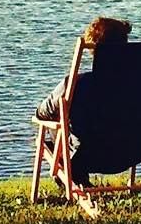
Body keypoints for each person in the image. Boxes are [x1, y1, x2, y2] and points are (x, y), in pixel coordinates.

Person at [34, 16, 132, 186]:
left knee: (54, 125)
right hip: (130, 152)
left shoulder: (76, 84)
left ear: (91, 48)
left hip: (85, 156)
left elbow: (42, 113)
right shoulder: (138, 84)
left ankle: (72, 171)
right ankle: (77, 174)